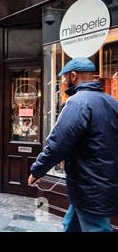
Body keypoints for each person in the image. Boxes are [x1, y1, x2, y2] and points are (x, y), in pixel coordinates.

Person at [28, 57, 118, 232]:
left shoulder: (77, 103)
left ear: (74, 75)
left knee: (95, 226)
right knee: (72, 224)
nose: (63, 81)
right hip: (101, 181)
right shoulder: (112, 102)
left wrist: (37, 170)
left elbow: (58, 143)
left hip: (89, 184)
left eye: (64, 77)